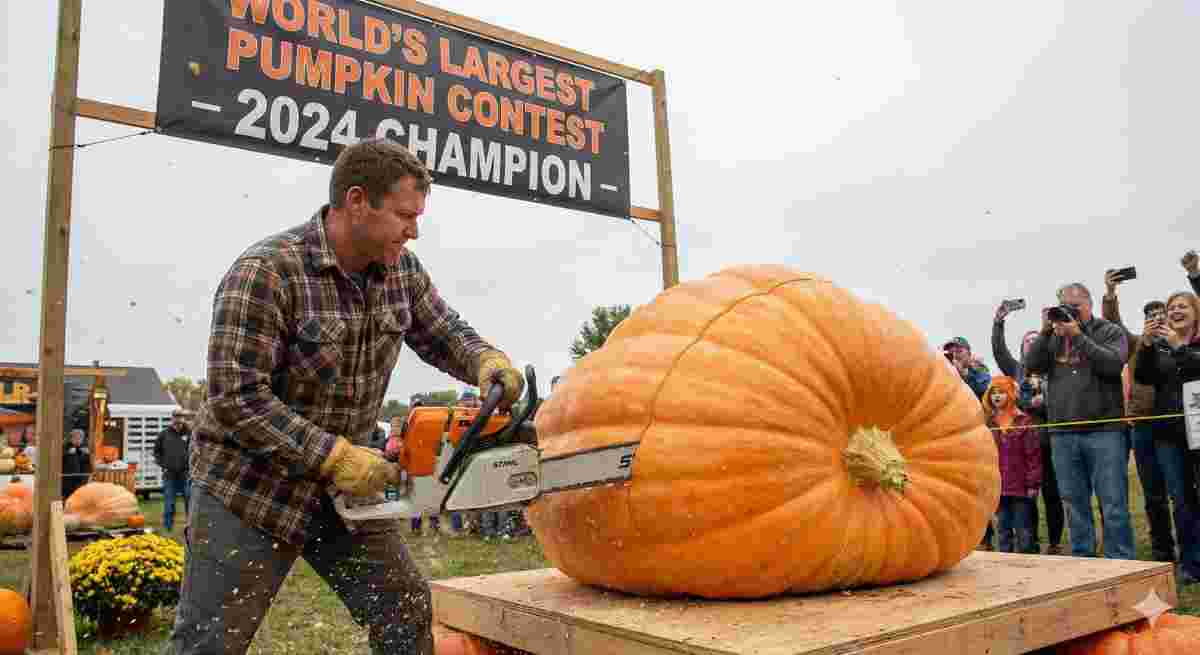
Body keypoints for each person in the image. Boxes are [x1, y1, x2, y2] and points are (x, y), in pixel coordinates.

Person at [165, 138, 526, 655]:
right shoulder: (267, 272)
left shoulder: (402, 272)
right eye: (405, 215)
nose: (414, 229)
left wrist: (486, 360)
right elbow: (236, 398)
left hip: (341, 495)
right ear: (357, 201)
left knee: (404, 608)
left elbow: (444, 332)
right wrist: (332, 455)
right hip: (248, 491)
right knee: (209, 644)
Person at [1023, 282, 1134, 560]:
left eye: (1076, 305)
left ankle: (1120, 563)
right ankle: (1084, 563)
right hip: (1063, 433)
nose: (1070, 312)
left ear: (1089, 304)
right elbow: (1032, 365)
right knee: (1074, 503)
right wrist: (1047, 329)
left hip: (1105, 431)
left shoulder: (1109, 330)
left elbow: (1113, 364)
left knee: (1113, 504)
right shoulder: (1054, 336)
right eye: (1065, 306)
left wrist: (1079, 335)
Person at [1101, 267, 1176, 563]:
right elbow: (1113, 323)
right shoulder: (1134, 345)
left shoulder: (1179, 343)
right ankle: (1162, 549)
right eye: (1151, 316)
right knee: (1153, 493)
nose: (1157, 320)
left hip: (1174, 423)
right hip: (1142, 426)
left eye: (1161, 315)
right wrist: (1110, 295)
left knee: (1181, 492)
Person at [1133, 290, 1200, 587]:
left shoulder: (1191, 343)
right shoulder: (1159, 347)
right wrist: (1147, 345)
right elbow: (1144, 377)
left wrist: (1179, 347)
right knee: (1182, 500)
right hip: (1170, 434)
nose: (1175, 311)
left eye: (1183, 306)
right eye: (1172, 307)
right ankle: (1191, 563)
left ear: (1196, 312)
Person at [994, 301, 1066, 554]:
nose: (1031, 343)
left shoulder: (1053, 367)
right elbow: (999, 351)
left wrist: (1043, 403)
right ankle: (1031, 541)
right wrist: (998, 323)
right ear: (1023, 348)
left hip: (1051, 441)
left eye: (1035, 339)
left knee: (1053, 495)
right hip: (1022, 447)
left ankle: (1056, 542)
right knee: (1027, 498)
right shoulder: (1016, 370)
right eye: (1027, 340)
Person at [982, 377, 1042, 554]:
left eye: (1001, 392)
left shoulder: (1024, 421)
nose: (997, 397)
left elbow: (1033, 455)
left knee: (1023, 529)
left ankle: (1028, 563)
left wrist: (1033, 483)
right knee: (1003, 529)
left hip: (1021, 486)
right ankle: (1005, 562)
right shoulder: (989, 423)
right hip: (999, 486)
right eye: (993, 393)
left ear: (1010, 394)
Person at [154, 411, 193, 533]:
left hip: (186, 473)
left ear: (183, 419)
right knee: (169, 502)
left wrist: (192, 466)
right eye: (176, 417)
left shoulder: (190, 434)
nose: (178, 420)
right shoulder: (164, 434)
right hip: (169, 474)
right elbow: (156, 452)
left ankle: (191, 526)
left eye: (180, 417)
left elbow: (197, 450)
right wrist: (163, 465)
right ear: (172, 419)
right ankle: (168, 528)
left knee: (189, 499)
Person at [61, 429, 92, 500]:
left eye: (80, 438)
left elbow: (88, 465)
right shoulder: (66, 447)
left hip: (81, 478)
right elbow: (60, 460)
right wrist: (67, 453)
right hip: (68, 479)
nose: (77, 440)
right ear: (71, 438)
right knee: (68, 497)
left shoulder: (85, 448)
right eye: (75, 438)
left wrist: (87, 455)